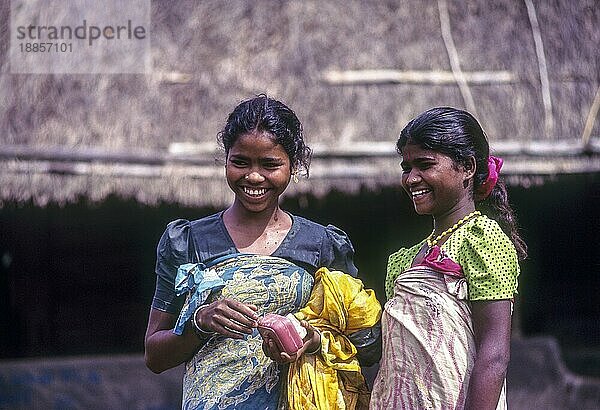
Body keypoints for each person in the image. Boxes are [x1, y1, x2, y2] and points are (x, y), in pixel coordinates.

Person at [144, 95, 380, 410]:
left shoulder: (322, 246)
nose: (254, 177)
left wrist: (311, 340)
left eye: (270, 164)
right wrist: (200, 323)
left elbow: (368, 346)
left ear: (293, 166)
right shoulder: (188, 242)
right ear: (225, 159)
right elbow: (154, 356)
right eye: (240, 162)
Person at [370, 107, 527, 409]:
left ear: (467, 167)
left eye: (424, 165)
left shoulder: (483, 241)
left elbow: (493, 356)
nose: (411, 179)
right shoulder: (403, 261)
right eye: (406, 168)